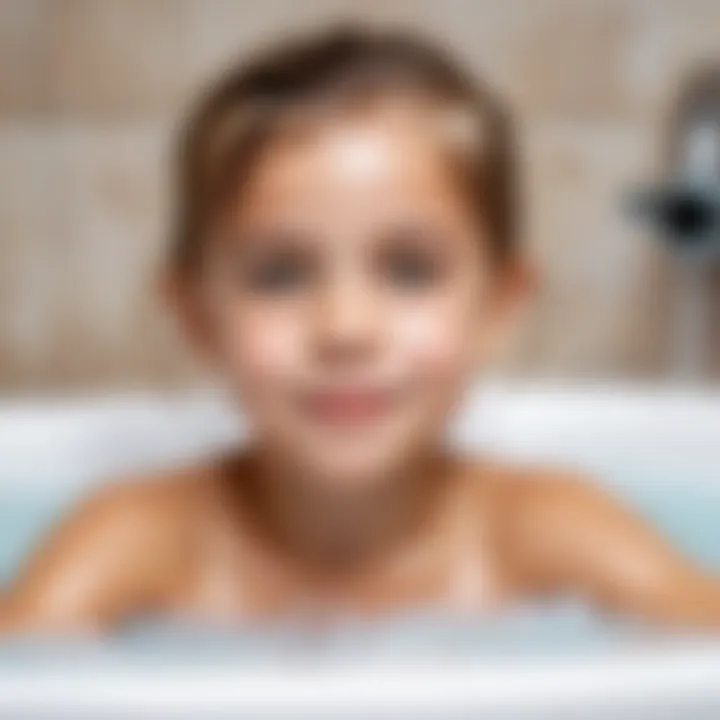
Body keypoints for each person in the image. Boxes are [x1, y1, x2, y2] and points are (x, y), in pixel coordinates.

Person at [2, 26, 719, 634]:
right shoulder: (139, 541)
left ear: (499, 306)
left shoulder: (546, 532)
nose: (346, 329)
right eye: (280, 275)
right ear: (198, 318)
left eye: (408, 271)